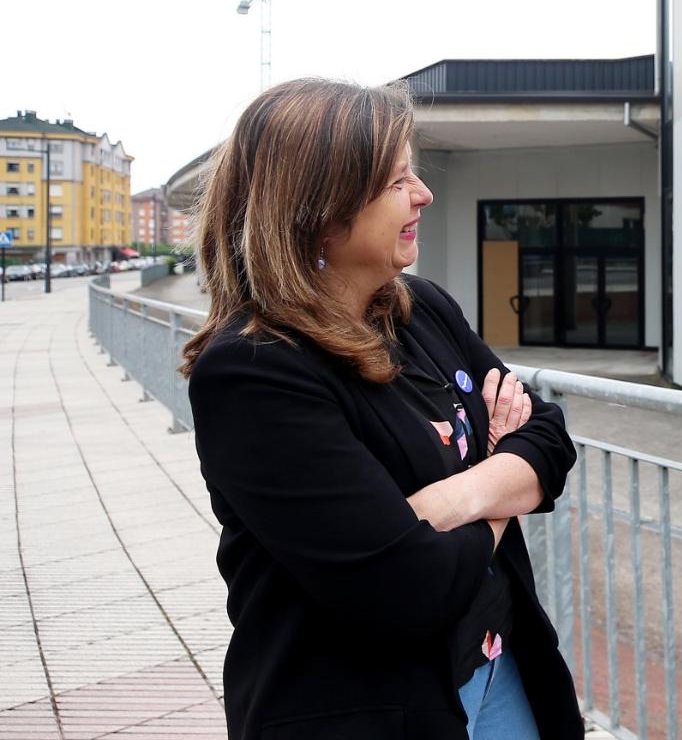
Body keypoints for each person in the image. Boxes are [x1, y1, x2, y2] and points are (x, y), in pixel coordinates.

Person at [181, 78, 583, 740]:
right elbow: (411, 589)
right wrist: (503, 473)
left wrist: (452, 501)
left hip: (497, 666)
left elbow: (548, 436)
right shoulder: (254, 372)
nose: (423, 194)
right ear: (321, 206)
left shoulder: (421, 307)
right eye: (397, 182)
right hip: (372, 709)